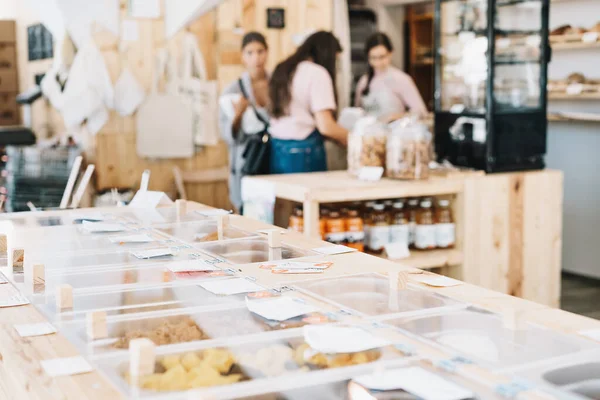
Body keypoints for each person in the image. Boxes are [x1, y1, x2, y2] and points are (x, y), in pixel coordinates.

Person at [268, 31, 348, 174]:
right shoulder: (317, 73)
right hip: (304, 153)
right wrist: (359, 139)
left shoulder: (282, 69)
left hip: (276, 149)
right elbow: (326, 126)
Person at [219, 32, 270, 212]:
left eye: (260, 51)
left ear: (267, 53)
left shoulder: (277, 85)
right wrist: (238, 114)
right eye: (250, 53)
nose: (256, 57)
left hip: (275, 160)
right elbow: (228, 135)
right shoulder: (233, 90)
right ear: (242, 57)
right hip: (248, 163)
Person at [355, 32, 427, 122]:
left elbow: (421, 112)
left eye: (382, 57)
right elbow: (357, 112)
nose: (378, 62)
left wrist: (396, 117)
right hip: (369, 134)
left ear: (390, 53)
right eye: (373, 58)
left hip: (395, 133)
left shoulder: (401, 79)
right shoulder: (363, 81)